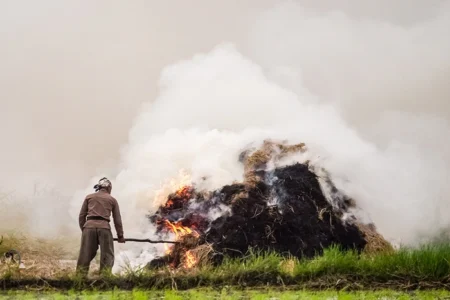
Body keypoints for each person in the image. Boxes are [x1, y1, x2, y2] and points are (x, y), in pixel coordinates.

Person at [76, 177, 125, 276]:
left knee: (85, 254)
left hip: (88, 227)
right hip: (104, 228)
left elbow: (82, 216)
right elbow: (117, 220)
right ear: (108, 188)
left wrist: (85, 230)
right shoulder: (112, 200)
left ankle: (80, 277)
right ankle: (104, 278)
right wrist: (120, 236)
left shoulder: (89, 197)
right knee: (107, 255)